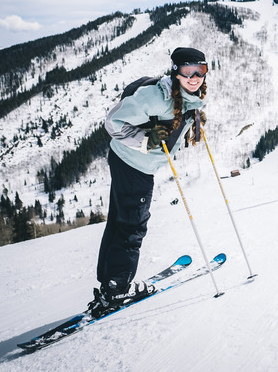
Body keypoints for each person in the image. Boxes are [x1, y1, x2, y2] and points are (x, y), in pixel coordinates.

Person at [88, 47, 208, 317]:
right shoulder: (154, 97)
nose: (195, 77)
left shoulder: (191, 95)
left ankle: (109, 282)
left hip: (134, 164)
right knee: (132, 227)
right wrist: (147, 141)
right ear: (176, 71)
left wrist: (194, 121)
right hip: (134, 166)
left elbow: (176, 119)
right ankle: (117, 290)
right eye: (188, 70)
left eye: (201, 70)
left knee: (119, 222)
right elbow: (113, 123)